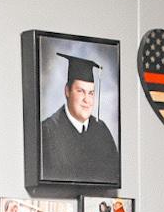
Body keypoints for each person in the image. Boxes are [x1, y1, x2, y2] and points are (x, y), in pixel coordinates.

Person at [38, 53, 119, 183]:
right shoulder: (47, 131)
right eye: (80, 91)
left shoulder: (102, 131)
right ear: (67, 91)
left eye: (91, 93)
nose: (87, 100)